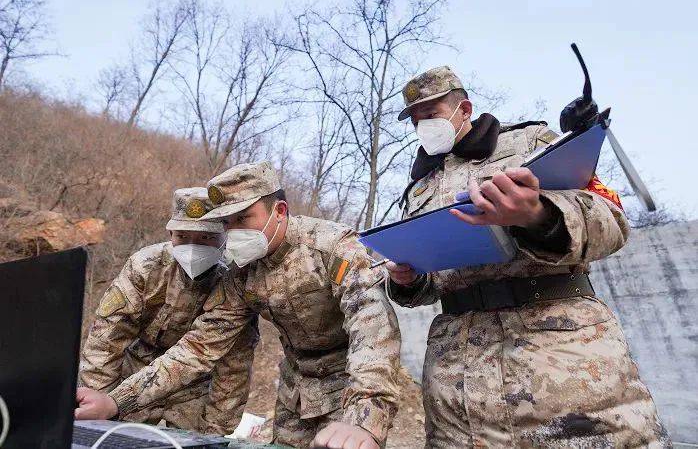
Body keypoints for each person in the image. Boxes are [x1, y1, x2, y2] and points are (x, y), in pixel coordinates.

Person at [385, 66, 669, 447]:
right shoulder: (419, 187)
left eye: (431, 115)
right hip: (458, 390)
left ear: (464, 109)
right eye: (416, 121)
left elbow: (610, 217)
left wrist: (536, 215)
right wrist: (409, 277)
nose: (423, 128)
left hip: (562, 371)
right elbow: (433, 280)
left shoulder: (531, 144)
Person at [196, 161, 401, 449]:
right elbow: (199, 345)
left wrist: (364, 420)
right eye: (226, 223)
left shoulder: (331, 247)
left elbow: (372, 325)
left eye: (243, 218)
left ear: (279, 211)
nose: (233, 232)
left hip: (348, 391)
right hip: (295, 395)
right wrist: (119, 399)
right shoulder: (242, 272)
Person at [76, 187, 258, 435]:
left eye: (206, 238)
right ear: (171, 233)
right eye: (183, 236)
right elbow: (107, 339)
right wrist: (97, 408)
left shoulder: (234, 282)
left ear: (224, 237)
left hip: (195, 383)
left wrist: (215, 431)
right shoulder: (146, 267)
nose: (193, 247)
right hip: (134, 375)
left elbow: (234, 367)